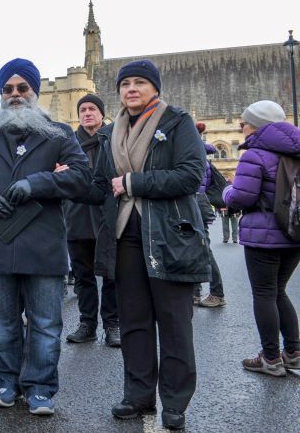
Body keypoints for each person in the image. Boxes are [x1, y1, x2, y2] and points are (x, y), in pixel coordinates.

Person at [0, 59, 91, 416]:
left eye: (22, 88)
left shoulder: (59, 133)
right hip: (0, 241)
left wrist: (36, 183)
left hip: (43, 242)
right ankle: (7, 383)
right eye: (8, 89)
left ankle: (41, 388)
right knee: (3, 321)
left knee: (46, 323)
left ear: (34, 92)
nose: (15, 95)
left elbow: (81, 178)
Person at [85, 60, 209, 431]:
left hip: (170, 235)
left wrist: (133, 183)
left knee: (174, 324)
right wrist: (54, 180)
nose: (131, 89)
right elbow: (97, 185)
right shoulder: (111, 133)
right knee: (134, 322)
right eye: (125, 84)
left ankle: (174, 403)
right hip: (125, 237)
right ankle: (138, 395)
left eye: (140, 82)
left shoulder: (176, 121)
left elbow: (191, 175)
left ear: (154, 88)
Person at [222, 100, 300, 376]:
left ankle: (270, 358)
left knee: (265, 294)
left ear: (254, 125)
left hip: (264, 235)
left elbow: (242, 196)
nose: (242, 127)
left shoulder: (255, 155)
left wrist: (226, 194)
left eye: (244, 122)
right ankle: (293, 352)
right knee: (279, 291)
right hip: (295, 233)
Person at [64, 94, 120, 347]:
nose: (87, 113)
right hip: (76, 216)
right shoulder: (68, 143)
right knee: (83, 276)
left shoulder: (114, 139)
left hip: (107, 214)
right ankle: (87, 324)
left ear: (101, 113)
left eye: (93, 109)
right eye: (83, 109)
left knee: (111, 274)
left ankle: (113, 324)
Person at [193, 123, 226, 308]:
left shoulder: (195, 153)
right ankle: (195, 292)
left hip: (196, 203)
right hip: (199, 202)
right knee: (194, 249)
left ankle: (217, 293)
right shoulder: (199, 152)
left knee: (203, 249)